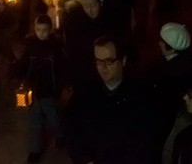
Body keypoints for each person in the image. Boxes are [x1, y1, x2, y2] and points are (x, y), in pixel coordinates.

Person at [65, 35, 159, 164]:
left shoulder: (140, 96)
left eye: (108, 61)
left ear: (123, 61)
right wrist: (83, 158)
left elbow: (145, 142)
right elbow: (70, 127)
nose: (102, 67)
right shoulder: (85, 92)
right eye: (98, 61)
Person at [14, 14, 67, 163]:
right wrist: (18, 74)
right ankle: (35, 150)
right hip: (34, 90)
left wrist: (63, 85)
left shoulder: (56, 47)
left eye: (44, 30)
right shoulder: (31, 45)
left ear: (49, 30)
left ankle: (60, 135)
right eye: (38, 29)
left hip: (50, 91)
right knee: (34, 121)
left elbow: (62, 67)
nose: (41, 33)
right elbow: (24, 62)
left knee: (54, 118)